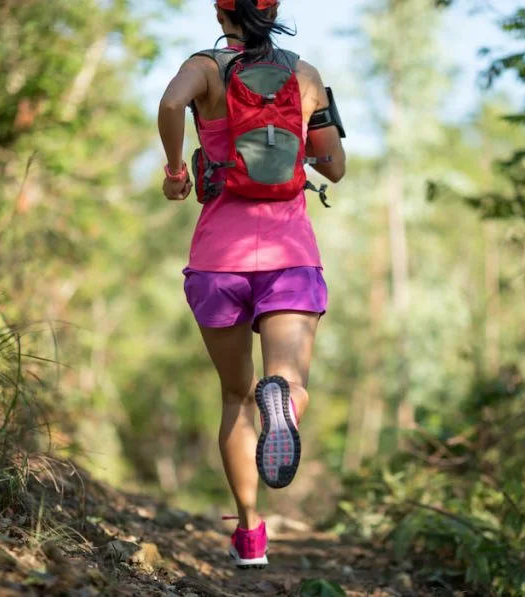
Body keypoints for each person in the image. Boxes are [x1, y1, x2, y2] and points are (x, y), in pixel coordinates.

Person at [157, 0, 346, 570]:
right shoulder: (304, 74)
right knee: (286, 382)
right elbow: (334, 165)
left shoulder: (206, 68)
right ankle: (283, 400)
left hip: (219, 259)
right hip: (289, 255)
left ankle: (249, 533)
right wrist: (290, 145)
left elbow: (169, 102)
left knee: (235, 396)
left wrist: (176, 169)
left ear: (222, 17)